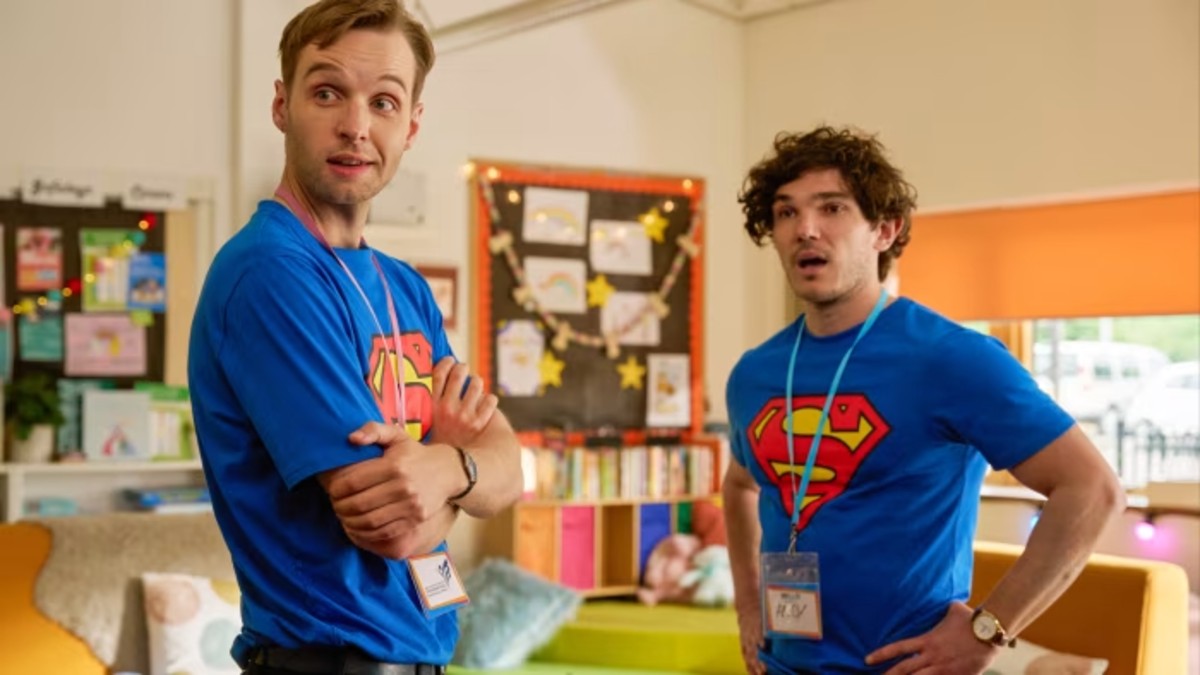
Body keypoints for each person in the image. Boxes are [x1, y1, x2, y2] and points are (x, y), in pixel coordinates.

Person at [187, 1, 523, 673]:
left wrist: (448, 467)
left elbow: (514, 466)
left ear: (412, 125)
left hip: (417, 651)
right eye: (327, 91)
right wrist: (461, 457)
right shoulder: (269, 272)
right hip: (326, 659)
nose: (355, 126)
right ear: (282, 105)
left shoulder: (405, 288)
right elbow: (394, 528)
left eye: (384, 102)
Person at [722, 126, 1124, 674]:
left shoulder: (952, 358)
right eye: (785, 212)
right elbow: (741, 483)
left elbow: (1093, 489)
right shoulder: (756, 373)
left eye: (832, 208)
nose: (805, 229)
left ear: (884, 230)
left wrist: (990, 629)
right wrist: (748, 605)